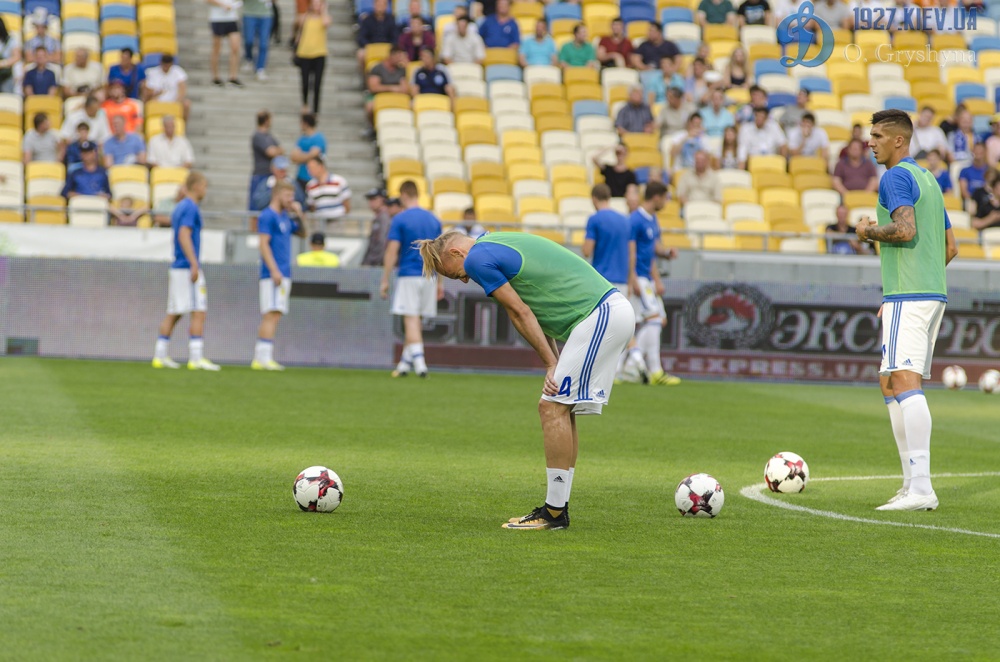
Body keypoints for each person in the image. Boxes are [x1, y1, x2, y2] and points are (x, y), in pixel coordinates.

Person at [415, 229, 635, 530]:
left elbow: (519, 312)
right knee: (561, 408)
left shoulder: (477, 258)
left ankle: (554, 513)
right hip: (607, 313)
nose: (464, 280)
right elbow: (534, 309)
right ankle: (557, 508)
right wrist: (553, 360)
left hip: (601, 315)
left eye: (455, 274)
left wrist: (550, 363)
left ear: (456, 253)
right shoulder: (491, 242)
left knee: (552, 407)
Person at [854, 108, 958, 511]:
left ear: (899, 140)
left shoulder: (895, 177)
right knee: (890, 382)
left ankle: (921, 488)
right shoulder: (928, 179)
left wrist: (866, 232)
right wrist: (920, 284)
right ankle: (910, 483)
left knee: (904, 381)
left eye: (878, 136)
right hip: (927, 293)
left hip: (910, 296)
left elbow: (904, 229)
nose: (870, 142)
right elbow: (951, 247)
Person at [152, 171, 222, 371]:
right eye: (204, 186)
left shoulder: (180, 206)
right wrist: (193, 263)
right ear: (197, 186)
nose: (205, 190)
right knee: (198, 310)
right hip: (185, 266)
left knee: (175, 312)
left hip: (179, 266)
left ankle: (160, 354)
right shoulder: (190, 207)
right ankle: (195, 357)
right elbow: (184, 234)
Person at [582, 183, 647, 383]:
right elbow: (631, 253)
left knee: (600, 326)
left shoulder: (595, 219)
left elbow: (587, 250)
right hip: (622, 280)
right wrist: (630, 279)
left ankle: (606, 371)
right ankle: (637, 358)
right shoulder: (625, 221)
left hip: (602, 281)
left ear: (594, 198)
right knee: (622, 326)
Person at [380, 180, 443, 378]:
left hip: (409, 274)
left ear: (403, 195)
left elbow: (392, 250)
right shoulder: (433, 220)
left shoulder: (400, 219)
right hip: (429, 276)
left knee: (411, 318)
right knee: (416, 320)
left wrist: (385, 278)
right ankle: (404, 365)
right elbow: (439, 253)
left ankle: (420, 364)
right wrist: (440, 282)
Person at [628, 181, 681, 386]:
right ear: (656, 197)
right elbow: (630, 251)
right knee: (654, 319)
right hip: (639, 276)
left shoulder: (652, 219)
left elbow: (653, 249)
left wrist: (666, 253)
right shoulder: (635, 220)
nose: (666, 203)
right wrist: (632, 278)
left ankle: (629, 367)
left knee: (658, 320)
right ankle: (654, 370)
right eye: (665, 198)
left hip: (647, 277)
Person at [253, 181, 306, 371]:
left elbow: (303, 233)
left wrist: (299, 214)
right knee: (271, 313)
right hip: (273, 273)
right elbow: (263, 244)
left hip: (284, 272)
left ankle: (262, 357)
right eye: (288, 195)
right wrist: (274, 269)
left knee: (276, 313)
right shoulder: (268, 216)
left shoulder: (285, 217)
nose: (291, 200)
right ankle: (263, 358)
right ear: (277, 194)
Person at [295, 0, 331, 115]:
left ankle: (315, 109)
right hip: (305, 53)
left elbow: (326, 22)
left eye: (319, 4)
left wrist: (324, 10)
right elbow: (298, 24)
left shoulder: (324, 18)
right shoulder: (305, 17)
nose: (316, 7)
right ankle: (305, 103)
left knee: (317, 84)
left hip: (319, 54)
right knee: (305, 82)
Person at [304, 156, 351, 233]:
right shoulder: (310, 185)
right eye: (308, 168)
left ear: (321, 166)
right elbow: (312, 206)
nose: (310, 171)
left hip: (336, 221)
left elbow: (347, 204)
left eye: (312, 168)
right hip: (319, 222)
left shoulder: (339, 181)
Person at [365, 48, 409, 125]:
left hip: (396, 96)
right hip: (378, 96)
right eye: (398, 57)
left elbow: (404, 88)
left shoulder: (401, 70)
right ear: (391, 55)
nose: (399, 60)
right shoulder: (377, 68)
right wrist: (391, 88)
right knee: (370, 107)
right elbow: (373, 88)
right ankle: (372, 127)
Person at [143, 55, 191, 122]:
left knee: (186, 103)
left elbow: (182, 88)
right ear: (161, 63)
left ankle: (183, 125)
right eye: (164, 66)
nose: (166, 68)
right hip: (157, 100)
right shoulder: (152, 72)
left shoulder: (178, 71)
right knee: (146, 103)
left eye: (168, 66)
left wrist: (177, 100)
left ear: (171, 64)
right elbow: (147, 91)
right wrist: (156, 93)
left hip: (174, 100)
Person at [250, 110, 283, 208]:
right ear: (266, 120)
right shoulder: (258, 136)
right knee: (256, 204)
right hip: (260, 174)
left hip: (270, 174)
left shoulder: (269, 136)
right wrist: (276, 151)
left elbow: (281, 150)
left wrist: (276, 150)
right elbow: (270, 152)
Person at [208, 0, 244, 88]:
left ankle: (233, 77)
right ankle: (216, 78)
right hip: (217, 18)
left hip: (232, 18)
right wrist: (223, 5)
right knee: (217, 49)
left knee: (235, 47)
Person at [356, 0, 397, 71]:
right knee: (360, 54)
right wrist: (368, 45)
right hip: (371, 46)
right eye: (378, 5)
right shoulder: (367, 20)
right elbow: (361, 37)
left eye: (382, 5)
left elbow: (395, 37)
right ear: (374, 5)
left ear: (386, 6)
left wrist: (391, 46)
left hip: (387, 48)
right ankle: (365, 75)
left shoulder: (391, 20)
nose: (380, 7)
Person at [290, 113, 326, 192]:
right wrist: (308, 156)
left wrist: (300, 157)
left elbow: (314, 155)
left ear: (305, 123)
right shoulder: (301, 139)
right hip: (301, 177)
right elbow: (293, 157)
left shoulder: (318, 138)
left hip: (314, 177)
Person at [242, 0, 274, 81]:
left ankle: (260, 68)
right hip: (249, 13)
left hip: (266, 14)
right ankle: (249, 58)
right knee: (249, 41)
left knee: (263, 44)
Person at [361, 188, 392, 266]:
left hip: (377, 264)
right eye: (370, 199)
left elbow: (383, 243)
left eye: (374, 199)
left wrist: (374, 263)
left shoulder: (384, 217)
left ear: (383, 200)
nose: (371, 202)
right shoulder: (379, 217)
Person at [0, 18, 20, 95]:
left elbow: (17, 57)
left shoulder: (11, 40)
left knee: (7, 95)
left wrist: (3, 63)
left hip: (6, 73)